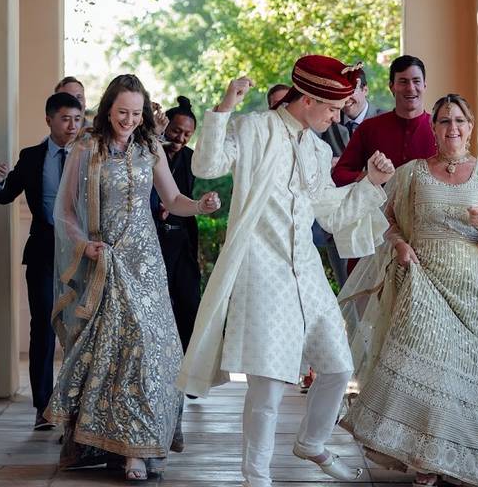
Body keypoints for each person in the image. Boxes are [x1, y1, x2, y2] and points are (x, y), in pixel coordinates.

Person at [177, 55, 396, 487]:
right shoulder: (255, 129)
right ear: (310, 99)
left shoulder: (317, 148)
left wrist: (370, 182)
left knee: (337, 365)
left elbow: (330, 212)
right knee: (269, 383)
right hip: (262, 270)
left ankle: (312, 441)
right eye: (332, 109)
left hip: (307, 272)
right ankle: (256, 476)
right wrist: (224, 109)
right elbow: (207, 166)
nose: (336, 117)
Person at [45, 75, 221, 481]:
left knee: (152, 350)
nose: (129, 119)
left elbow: (173, 199)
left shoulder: (149, 147)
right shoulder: (86, 148)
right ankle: (114, 446)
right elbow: (66, 210)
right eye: (123, 112)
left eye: (137, 113)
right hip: (104, 261)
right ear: (108, 108)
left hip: (145, 262)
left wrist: (201, 206)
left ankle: (138, 449)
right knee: (115, 350)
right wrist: (82, 246)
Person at [338, 93, 478, 487]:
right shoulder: (412, 172)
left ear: (471, 127)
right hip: (421, 278)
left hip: (469, 287)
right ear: (434, 128)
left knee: (464, 372)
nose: (453, 128)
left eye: (460, 121)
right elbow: (387, 219)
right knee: (428, 368)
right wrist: (399, 245)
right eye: (445, 121)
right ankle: (424, 459)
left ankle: (460, 458)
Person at [0, 92, 83, 430]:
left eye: (77, 118)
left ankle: (77, 405)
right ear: (49, 120)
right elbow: (5, 195)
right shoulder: (31, 156)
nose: (72, 126)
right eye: (64, 119)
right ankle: (43, 407)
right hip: (44, 250)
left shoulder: (90, 156)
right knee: (43, 326)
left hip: (82, 252)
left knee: (80, 327)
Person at [317, 69, 382, 288]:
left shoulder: (383, 119)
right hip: (339, 221)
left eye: (352, 90)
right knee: (348, 292)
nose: (347, 97)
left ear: (365, 89)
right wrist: (329, 162)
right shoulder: (326, 121)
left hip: (376, 221)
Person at [331, 55, 436, 186]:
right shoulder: (368, 128)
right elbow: (339, 175)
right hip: (378, 206)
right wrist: (369, 177)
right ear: (391, 86)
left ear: (424, 85)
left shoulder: (441, 129)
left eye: (416, 81)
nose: (410, 88)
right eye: (403, 81)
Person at [149, 96, 201, 352]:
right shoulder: (148, 152)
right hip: (153, 238)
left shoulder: (193, 159)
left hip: (182, 239)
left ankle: (186, 364)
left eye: (187, 134)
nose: (180, 138)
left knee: (189, 300)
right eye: (176, 131)